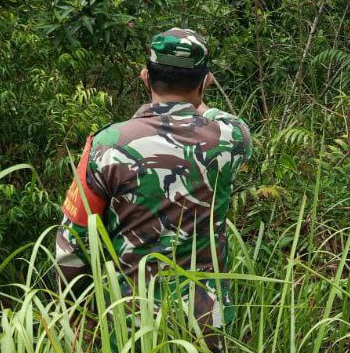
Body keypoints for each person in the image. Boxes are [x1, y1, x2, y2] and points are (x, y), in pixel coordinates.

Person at [55, 27, 253, 329]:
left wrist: (82, 316)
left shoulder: (106, 145)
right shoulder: (230, 138)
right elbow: (222, 117)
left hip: (131, 326)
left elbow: (72, 246)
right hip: (204, 323)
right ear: (206, 81)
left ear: (145, 76)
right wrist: (194, 99)